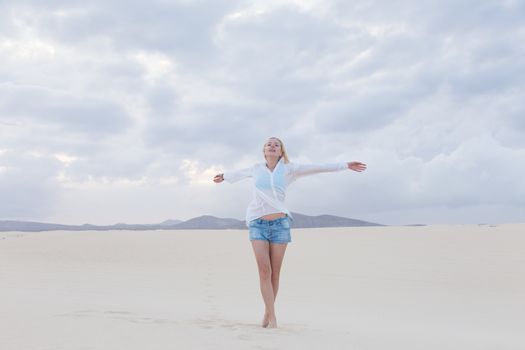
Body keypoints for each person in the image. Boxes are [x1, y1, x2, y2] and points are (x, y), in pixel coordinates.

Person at [213, 137, 366, 328]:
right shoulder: (255, 168)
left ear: (281, 151)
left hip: (280, 225)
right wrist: (224, 176)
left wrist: (345, 165)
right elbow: (236, 173)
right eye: (269, 143)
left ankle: (267, 313)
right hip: (257, 223)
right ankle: (273, 318)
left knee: (275, 273)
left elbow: (317, 167)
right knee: (264, 271)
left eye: (276, 144)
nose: (272, 146)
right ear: (264, 150)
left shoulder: (289, 169)